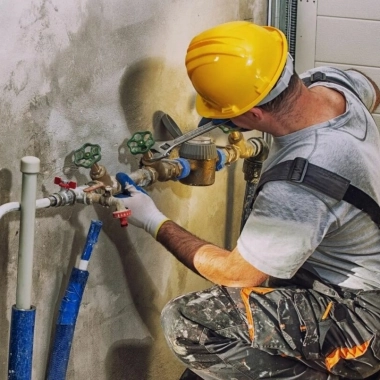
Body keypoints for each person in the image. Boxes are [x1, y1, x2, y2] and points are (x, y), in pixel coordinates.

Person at [118, 21, 380, 380]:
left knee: (189, 324)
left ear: (254, 114)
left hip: (362, 317)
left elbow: (237, 275)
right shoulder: (332, 84)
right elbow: (373, 89)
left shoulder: (300, 182)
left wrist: (152, 220)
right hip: (332, 276)